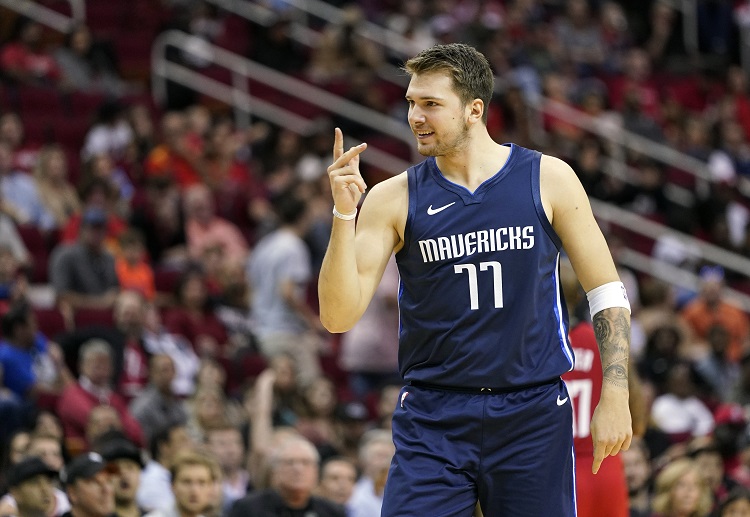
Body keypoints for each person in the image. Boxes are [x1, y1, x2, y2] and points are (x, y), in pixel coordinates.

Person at [318, 43, 632, 516]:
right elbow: (337, 317)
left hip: (532, 413)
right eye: (411, 102)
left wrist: (617, 393)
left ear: (474, 110)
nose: (415, 116)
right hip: (433, 417)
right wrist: (344, 214)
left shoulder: (548, 177)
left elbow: (606, 292)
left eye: (430, 104)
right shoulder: (393, 197)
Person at [559, 259, 647, 517]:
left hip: (556, 469)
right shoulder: (604, 340)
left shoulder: (536, 345)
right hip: (605, 467)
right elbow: (637, 410)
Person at [227, 435, 345, 517]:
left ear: (316, 472)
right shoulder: (248, 508)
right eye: (289, 462)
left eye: (305, 462)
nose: (298, 469)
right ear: (275, 470)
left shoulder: (332, 512)